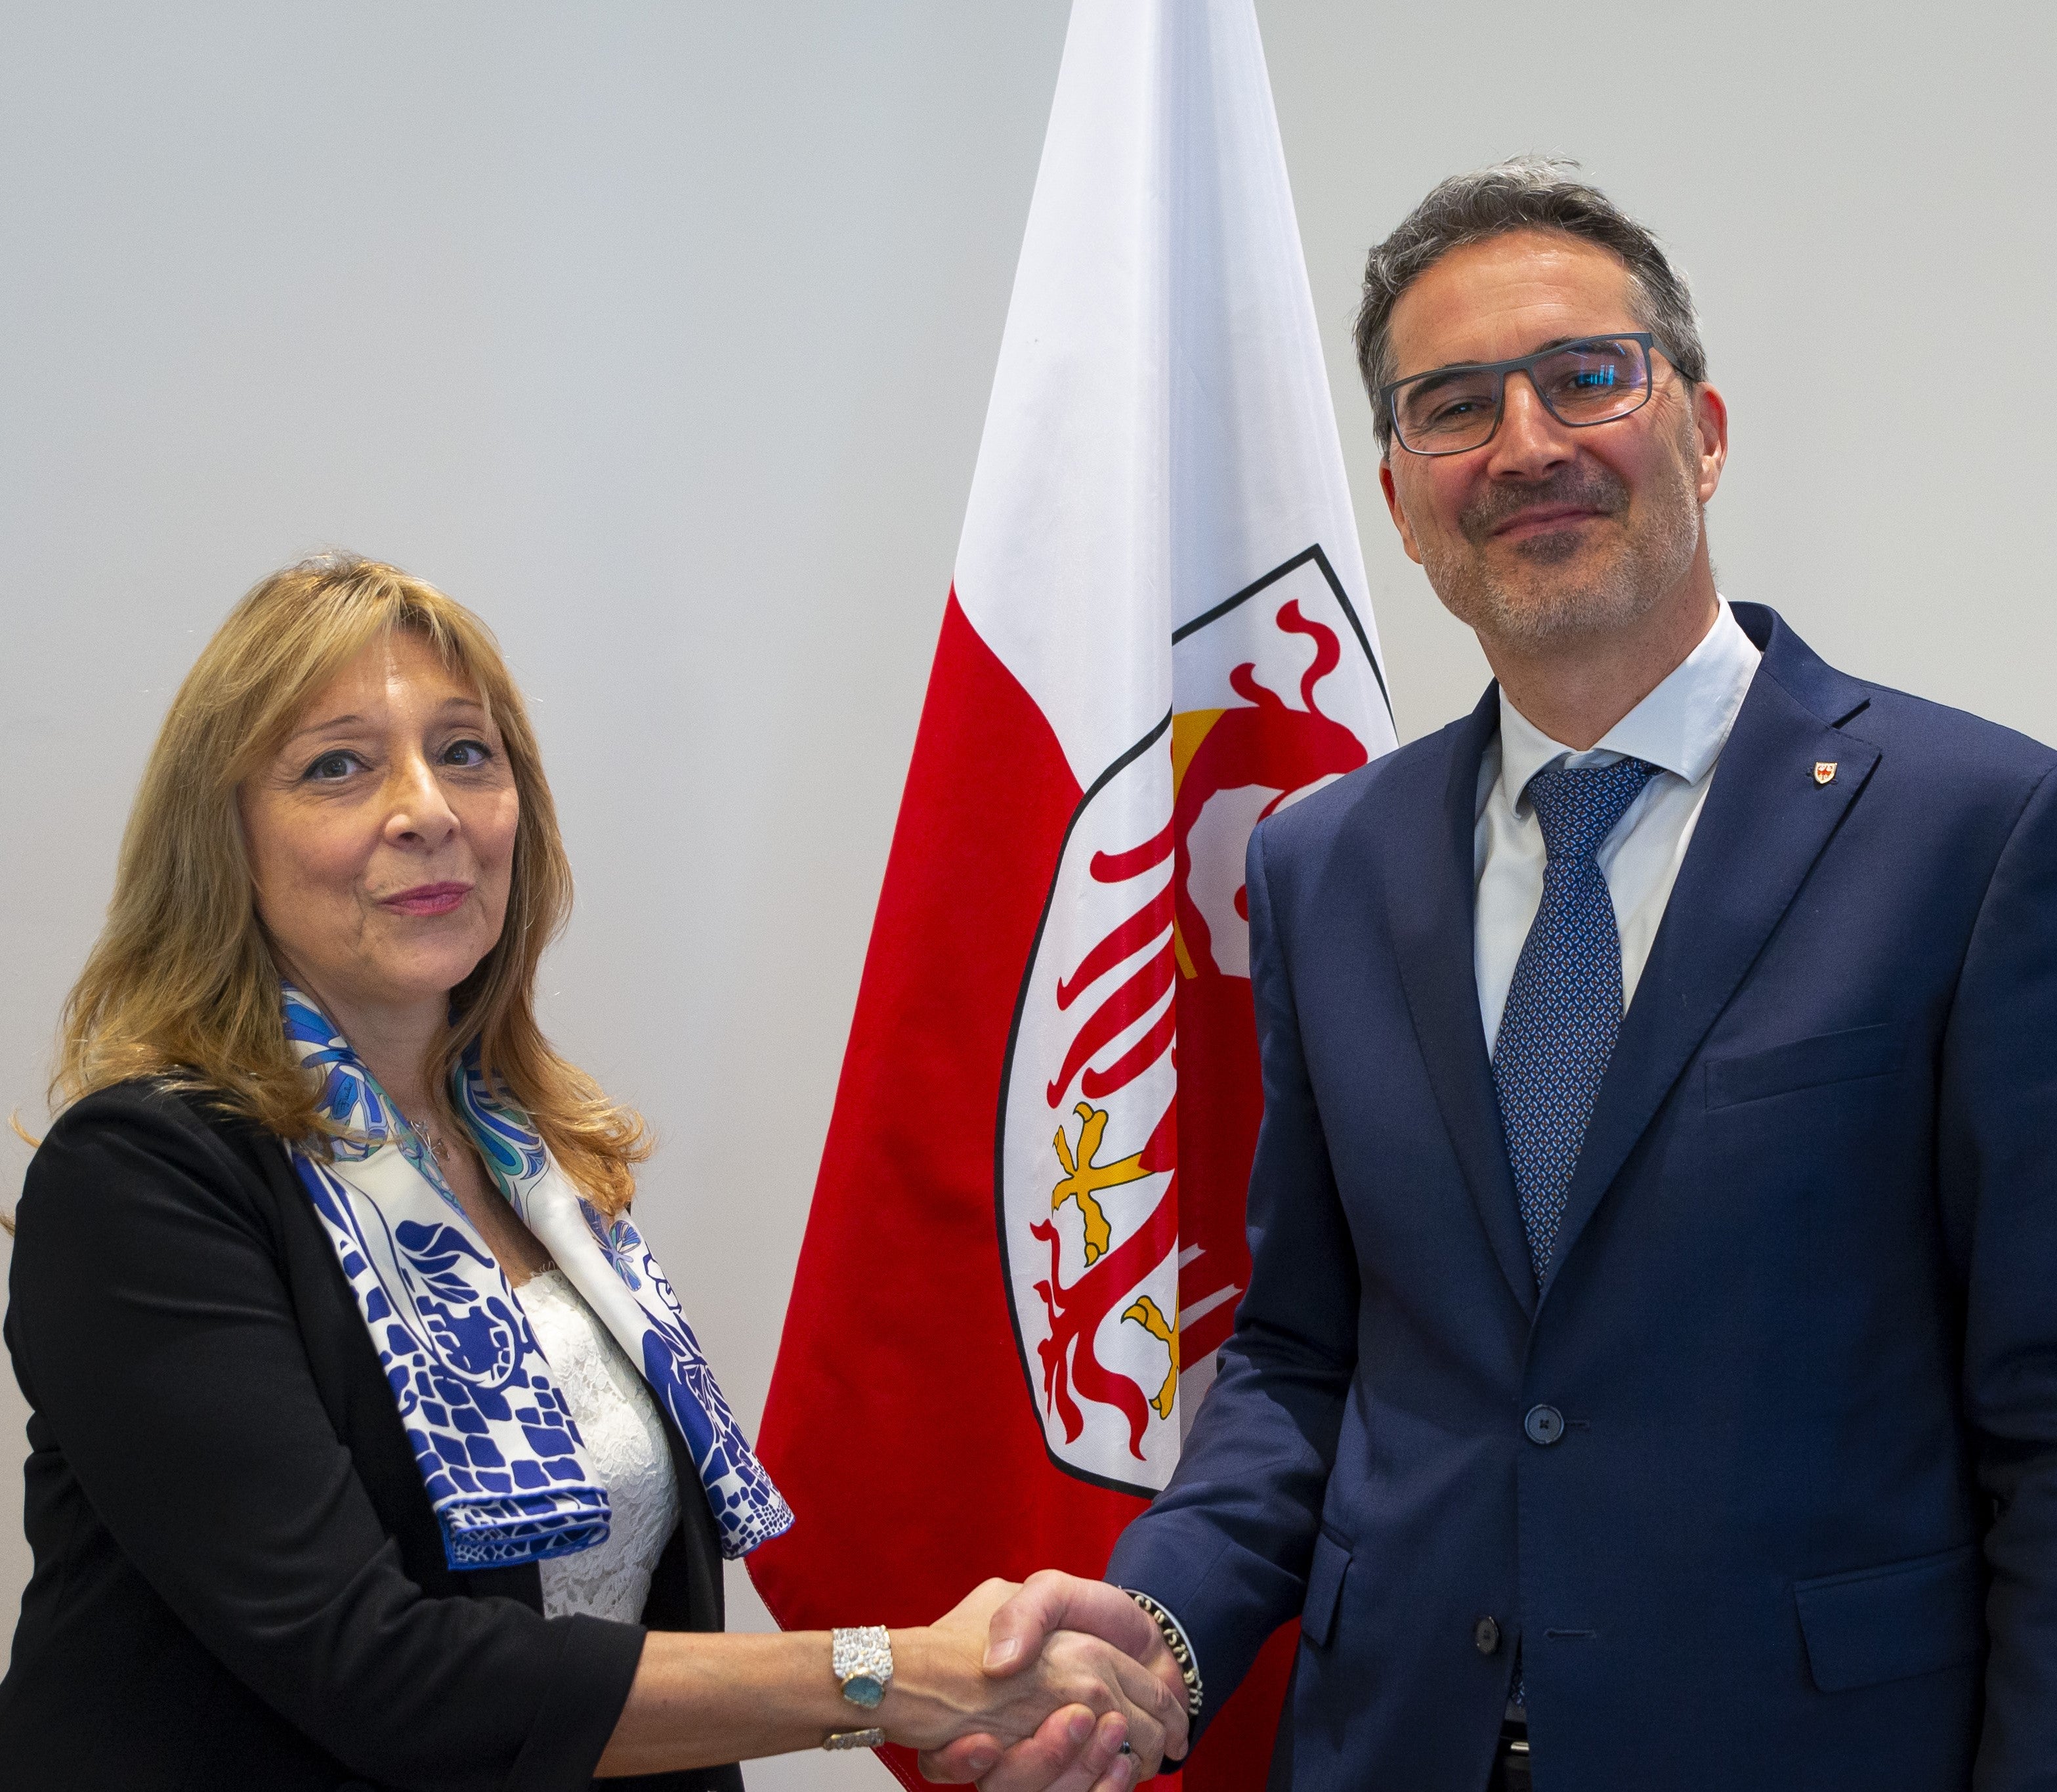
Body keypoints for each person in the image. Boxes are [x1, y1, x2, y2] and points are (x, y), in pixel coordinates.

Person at [922, 158, 2057, 1791]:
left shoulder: (1980, 833)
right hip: (1398, 1747)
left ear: (1701, 431)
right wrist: (1157, 1634)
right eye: (1450, 406)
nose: (1524, 445)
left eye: (1584, 377)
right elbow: (1305, 1356)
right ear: (1397, 499)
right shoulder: (1322, 865)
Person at [0, 555, 1184, 1791]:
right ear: (225, 842)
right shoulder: (142, 1179)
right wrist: (891, 1678)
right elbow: (379, 1668)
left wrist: (971, 1705)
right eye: (338, 766)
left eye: (467, 752)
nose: (429, 809)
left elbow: (624, 1633)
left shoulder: (537, 1165)